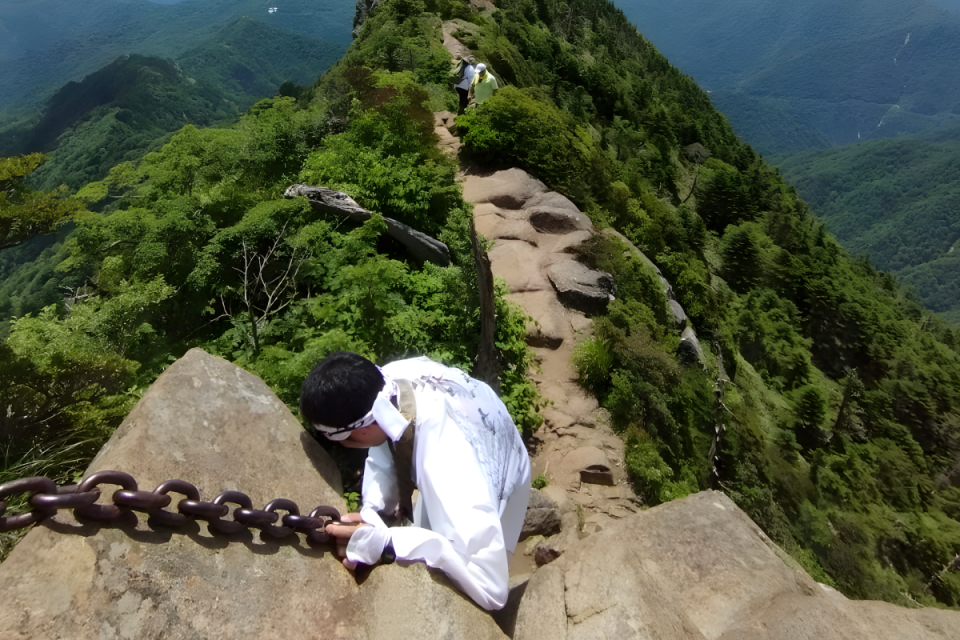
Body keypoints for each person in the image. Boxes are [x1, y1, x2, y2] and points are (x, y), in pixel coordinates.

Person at [300, 351, 531, 611]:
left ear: (360, 431)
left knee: (462, 567)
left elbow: (491, 587)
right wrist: (376, 513)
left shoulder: (445, 463)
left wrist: (387, 543)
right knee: (424, 537)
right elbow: (387, 437)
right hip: (481, 420)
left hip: (504, 470)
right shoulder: (387, 384)